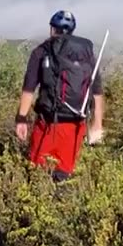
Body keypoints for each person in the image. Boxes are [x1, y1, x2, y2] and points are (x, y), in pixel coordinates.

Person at [14, 10, 105, 180]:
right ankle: (62, 205)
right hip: (75, 126)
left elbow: (29, 89)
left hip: (47, 124)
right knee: (64, 176)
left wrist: (21, 119)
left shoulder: (41, 52)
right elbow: (97, 93)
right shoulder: (85, 54)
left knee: (37, 175)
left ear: (52, 28)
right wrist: (97, 125)